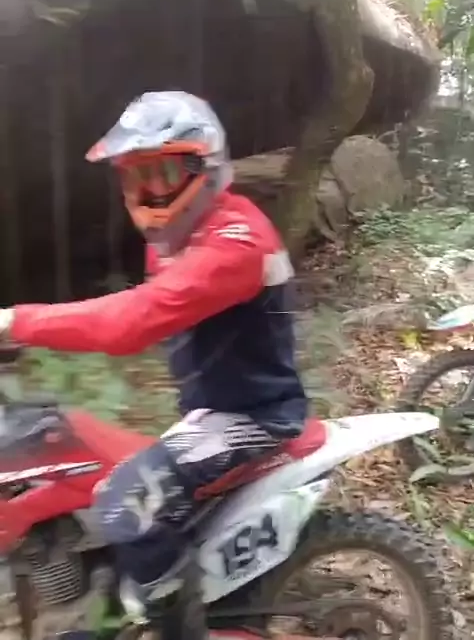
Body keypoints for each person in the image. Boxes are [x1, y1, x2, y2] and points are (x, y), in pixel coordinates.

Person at [0, 91, 307, 619]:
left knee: (125, 503)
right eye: (134, 178)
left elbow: (131, 321)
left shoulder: (236, 240)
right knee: (53, 439)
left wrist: (14, 322)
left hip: (251, 417)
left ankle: (173, 617)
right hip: (205, 411)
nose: (146, 193)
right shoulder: (173, 241)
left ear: (204, 168)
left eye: (161, 176)